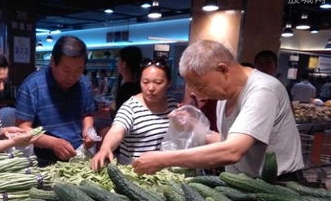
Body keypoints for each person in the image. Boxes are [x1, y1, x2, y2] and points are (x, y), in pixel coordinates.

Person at [133, 40, 304, 178]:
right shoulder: (225, 95)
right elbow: (226, 141)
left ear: (222, 69)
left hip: (278, 186)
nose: (195, 92)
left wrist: (163, 159)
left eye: (199, 84)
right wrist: (195, 126)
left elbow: (233, 151)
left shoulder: (263, 90)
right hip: (246, 184)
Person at [16, 35, 96, 165]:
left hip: (80, 156)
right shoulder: (32, 86)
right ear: (53, 61)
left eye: (79, 70)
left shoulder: (84, 84)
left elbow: (87, 114)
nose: (72, 77)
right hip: (44, 161)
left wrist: (88, 130)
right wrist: (52, 143)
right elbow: (22, 129)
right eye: (66, 70)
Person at [91, 58, 178, 170]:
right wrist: (106, 147)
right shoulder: (130, 107)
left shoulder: (173, 105)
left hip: (165, 173)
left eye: (158, 83)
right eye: (145, 82)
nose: (151, 88)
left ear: (168, 83)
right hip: (135, 172)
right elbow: (117, 131)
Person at [115, 46, 142, 112]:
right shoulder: (139, 85)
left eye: (118, 60)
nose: (116, 64)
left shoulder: (126, 89)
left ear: (124, 64)